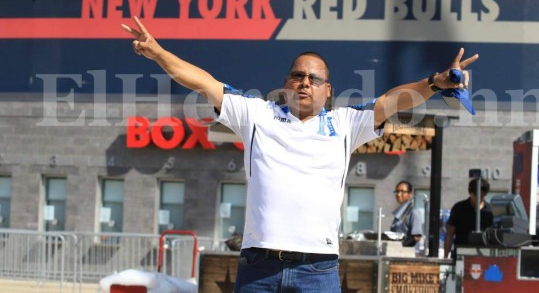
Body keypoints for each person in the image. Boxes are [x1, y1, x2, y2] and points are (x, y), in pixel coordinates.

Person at [121, 16, 478, 293]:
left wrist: (434, 83)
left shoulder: (345, 123)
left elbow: (392, 100)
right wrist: (157, 52)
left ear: (328, 90)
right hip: (258, 267)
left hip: (317, 271)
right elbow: (202, 82)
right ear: (286, 83)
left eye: (313, 78)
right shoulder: (257, 115)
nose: (304, 82)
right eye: (297, 76)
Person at [443, 178, 493, 259]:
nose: (479, 199)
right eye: (476, 196)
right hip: (461, 254)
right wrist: (445, 256)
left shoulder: (490, 211)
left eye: (482, 196)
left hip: (483, 255)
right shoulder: (459, 208)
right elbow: (450, 233)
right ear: (471, 193)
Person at [390, 181, 423, 247]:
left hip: (407, 253)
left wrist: (401, 246)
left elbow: (416, 237)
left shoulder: (414, 212)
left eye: (403, 192)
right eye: (397, 191)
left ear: (410, 194)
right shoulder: (399, 213)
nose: (399, 194)